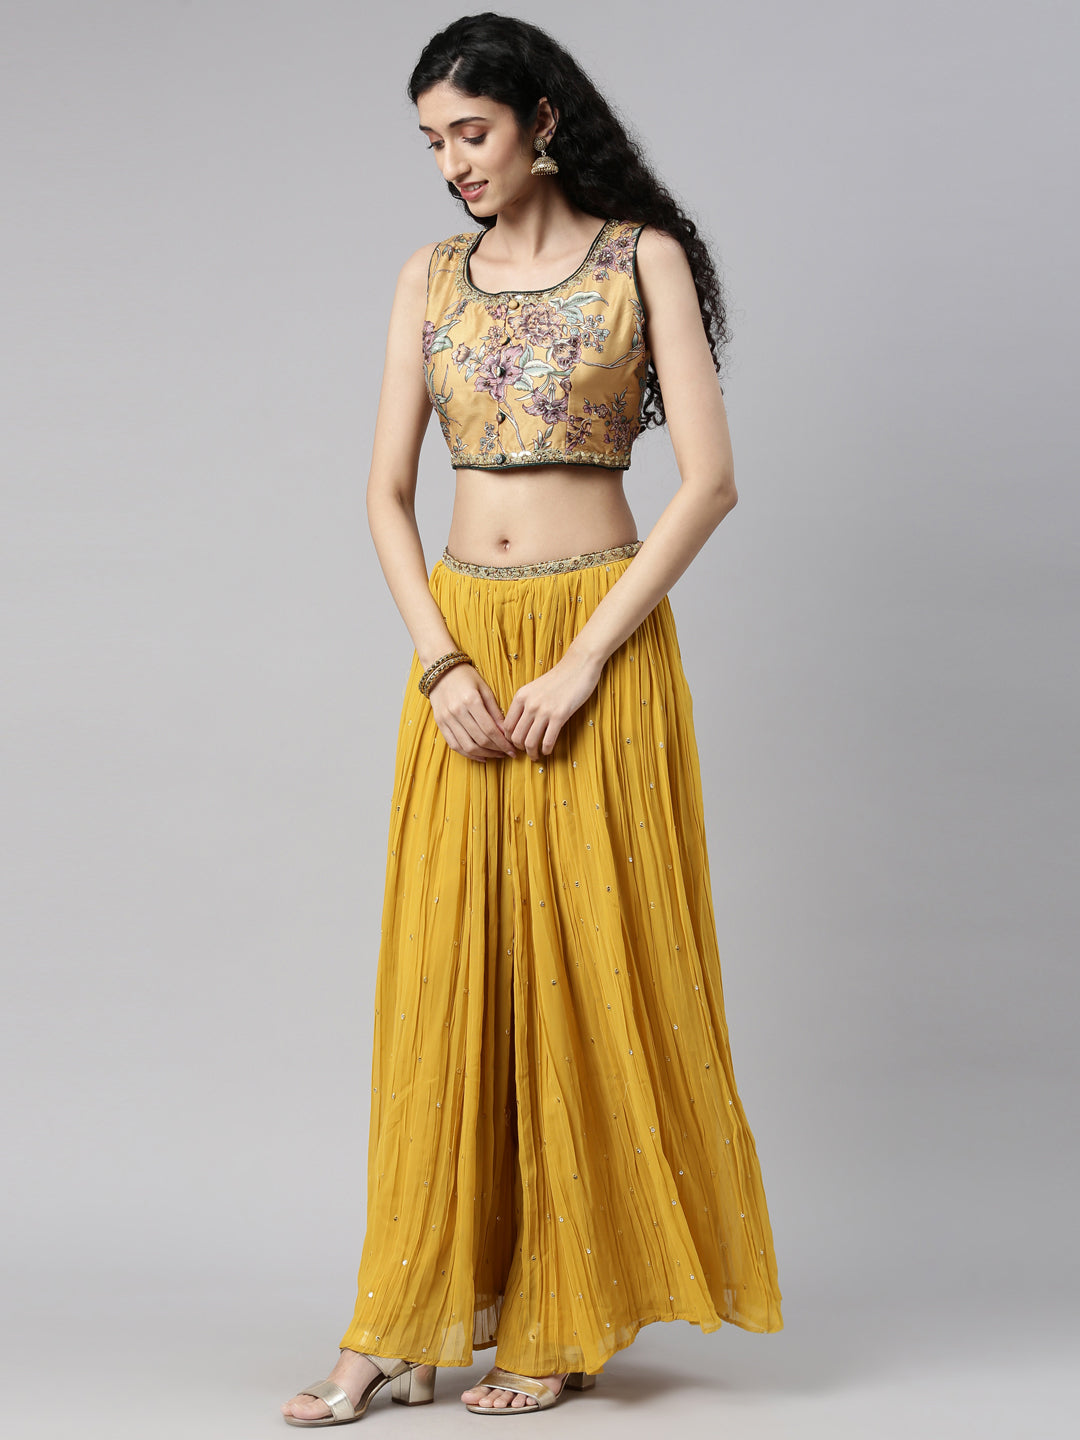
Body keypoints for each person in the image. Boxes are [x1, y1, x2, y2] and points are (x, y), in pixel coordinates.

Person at [282, 12, 783, 1426]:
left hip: (596, 647)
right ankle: (401, 1316)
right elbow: (384, 492)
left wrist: (579, 664)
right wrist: (441, 663)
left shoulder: (642, 260)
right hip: (462, 653)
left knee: (585, 968)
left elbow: (709, 483)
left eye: (473, 132)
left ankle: (560, 1317)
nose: (454, 163)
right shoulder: (429, 278)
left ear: (541, 121)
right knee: (450, 974)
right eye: (433, 142)